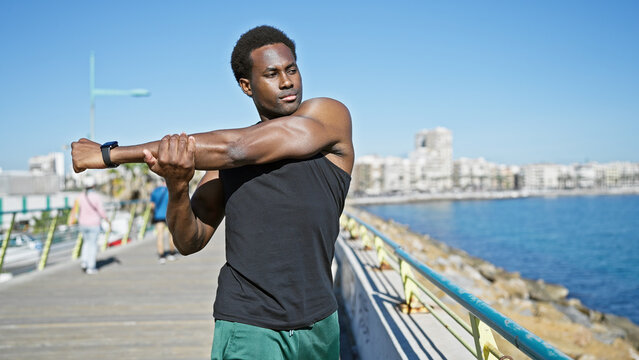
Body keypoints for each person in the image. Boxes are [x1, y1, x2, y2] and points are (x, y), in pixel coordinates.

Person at [71, 25, 353, 359]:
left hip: (319, 321)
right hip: (249, 326)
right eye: (272, 74)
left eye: (291, 70)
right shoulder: (222, 161)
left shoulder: (329, 118)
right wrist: (177, 186)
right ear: (246, 86)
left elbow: (239, 147)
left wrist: (109, 155)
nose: (287, 81)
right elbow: (190, 241)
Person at [72, 177, 108, 275]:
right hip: (94, 224)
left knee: (86, 243)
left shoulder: (80, 196)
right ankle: (90, 267)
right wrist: (107, 219)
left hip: (82, 224)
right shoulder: (96, 197)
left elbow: (76, 210)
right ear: (93, 186)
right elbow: (101, 211)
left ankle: (84, 262)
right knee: (92, 245)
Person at [150, 178, 177, 263]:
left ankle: (161, 256)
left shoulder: (155, 191)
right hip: (170, 216)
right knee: (171, 236)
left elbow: (152, 206)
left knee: (160, 236)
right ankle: (172, 254)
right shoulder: (172, 190)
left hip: (158, 216)